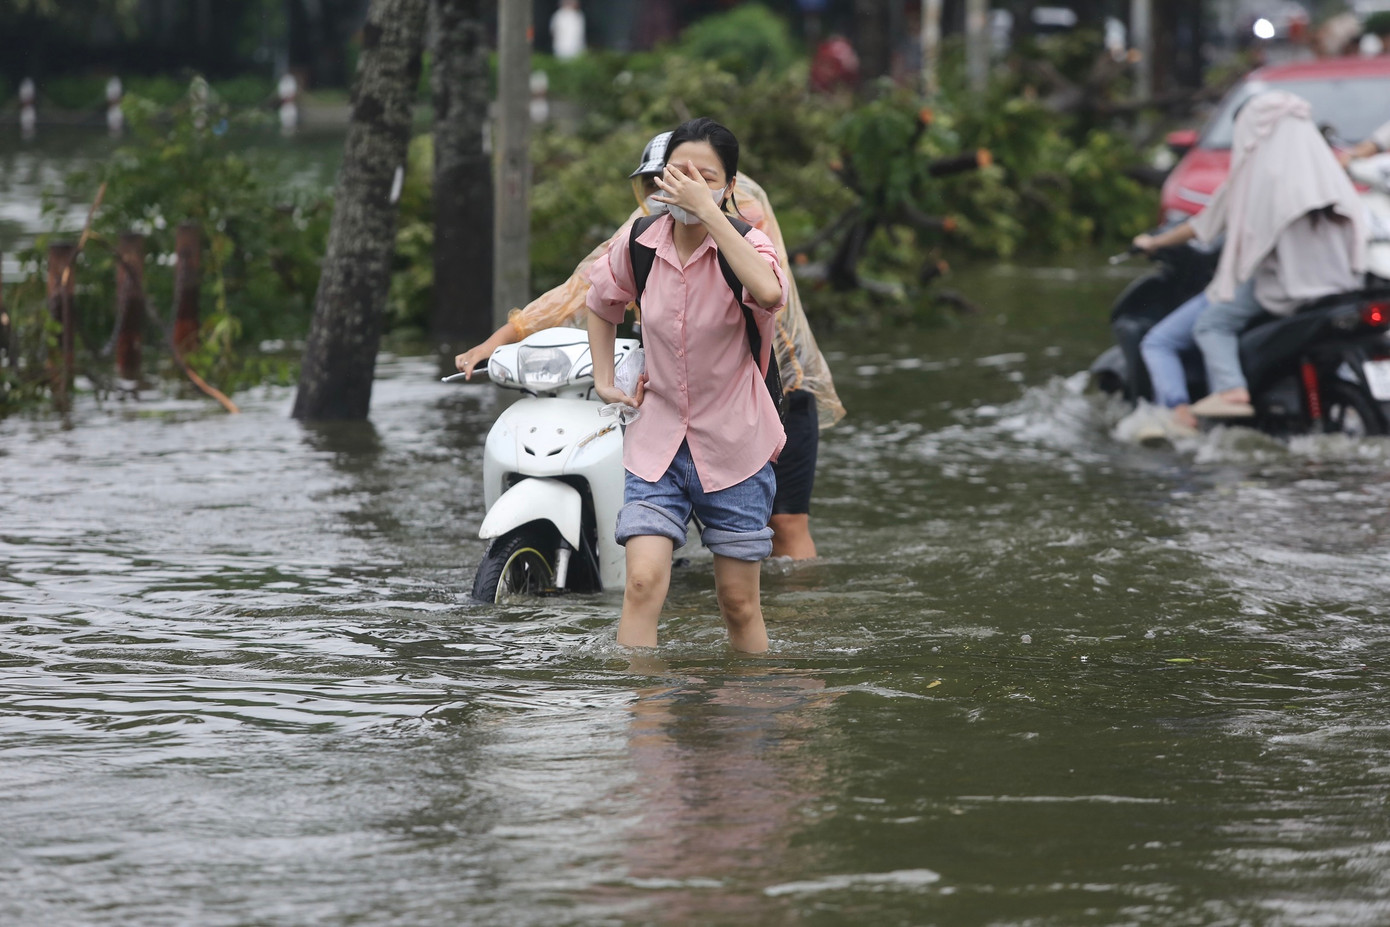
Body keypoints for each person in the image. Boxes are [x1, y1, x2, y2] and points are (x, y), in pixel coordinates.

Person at [454, 132, 844, 559]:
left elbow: (767, 288)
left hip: (769, 390)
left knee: (786, 523)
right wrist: (499, 341)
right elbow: (582, 291)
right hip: (679, 406)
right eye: (665, 177)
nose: (677, 187)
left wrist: (705, 210)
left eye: (696, 176)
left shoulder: (739, 215)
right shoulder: (647, 233)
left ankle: (798, 599)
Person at [586, 117, 786, 653]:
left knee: (738, 604)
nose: (688, 185)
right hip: (657, 443)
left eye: (705, 177)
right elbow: (601, 301)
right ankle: (645, 706)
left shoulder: (749, 246)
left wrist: (710, 215)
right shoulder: (639, 242)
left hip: (736, 445)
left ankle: (748, 703)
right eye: (678, 173)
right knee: (642, 583)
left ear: (729, 185)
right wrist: (604, 380)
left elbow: (769, 294)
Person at [1132, 90, 1366, 425]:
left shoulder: (1254, 178)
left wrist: (1153, 242)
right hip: (1338, 288)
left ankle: (1219, 396)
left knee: (1207, 325)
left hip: (1278, 289)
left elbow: (1201, 226)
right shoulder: (1331, 175)